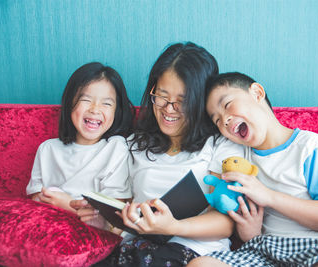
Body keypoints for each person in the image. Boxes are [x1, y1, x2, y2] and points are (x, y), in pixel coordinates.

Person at [71, 42, 244, 267]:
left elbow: (226, 223)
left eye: (181, 102)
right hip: (137, 249)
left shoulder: (220, 144)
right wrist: (104, 221)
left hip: (195, 252)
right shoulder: (134, 144)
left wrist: (173, 227)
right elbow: (124, 212)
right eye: (161, 96)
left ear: (200, 102)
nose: (168, 109)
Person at [187, 72, 318, 266]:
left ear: (257, 93)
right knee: (200, 264)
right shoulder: (240, 158)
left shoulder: (309, 146)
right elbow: (240, 221)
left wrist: (270, 197)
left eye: (227, 105)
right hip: (267, 251)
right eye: (217, 120)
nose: (224, 120)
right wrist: (249, 233)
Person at [26, 62, 135, 218]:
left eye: (106, 103)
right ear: (70, 103)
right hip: (52, 222)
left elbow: (113, 209)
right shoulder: (47, 149)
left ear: (117, 112)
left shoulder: (116, 148)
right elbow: (36, 197)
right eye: (86, 100)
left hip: (94, 226)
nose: (95, 109)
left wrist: (70, 206)